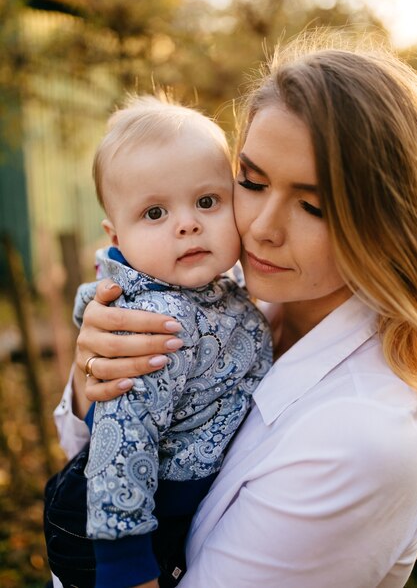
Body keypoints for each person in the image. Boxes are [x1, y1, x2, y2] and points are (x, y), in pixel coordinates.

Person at [55, 33, 417, 587]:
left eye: (314, 206)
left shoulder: (364, 438)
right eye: (250, 181)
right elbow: (91, 442)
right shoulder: (226, 297)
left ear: (384, 220)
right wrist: (95, 379)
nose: (262, 228)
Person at [48, 94, 272, 588]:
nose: (188, 223)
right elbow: (120, 439)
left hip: (167, 506)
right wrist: (127, 567)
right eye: (154, 213)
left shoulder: (222, 286)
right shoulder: (155, 323)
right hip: (120, 523)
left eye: (207, 202)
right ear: (115, 236)